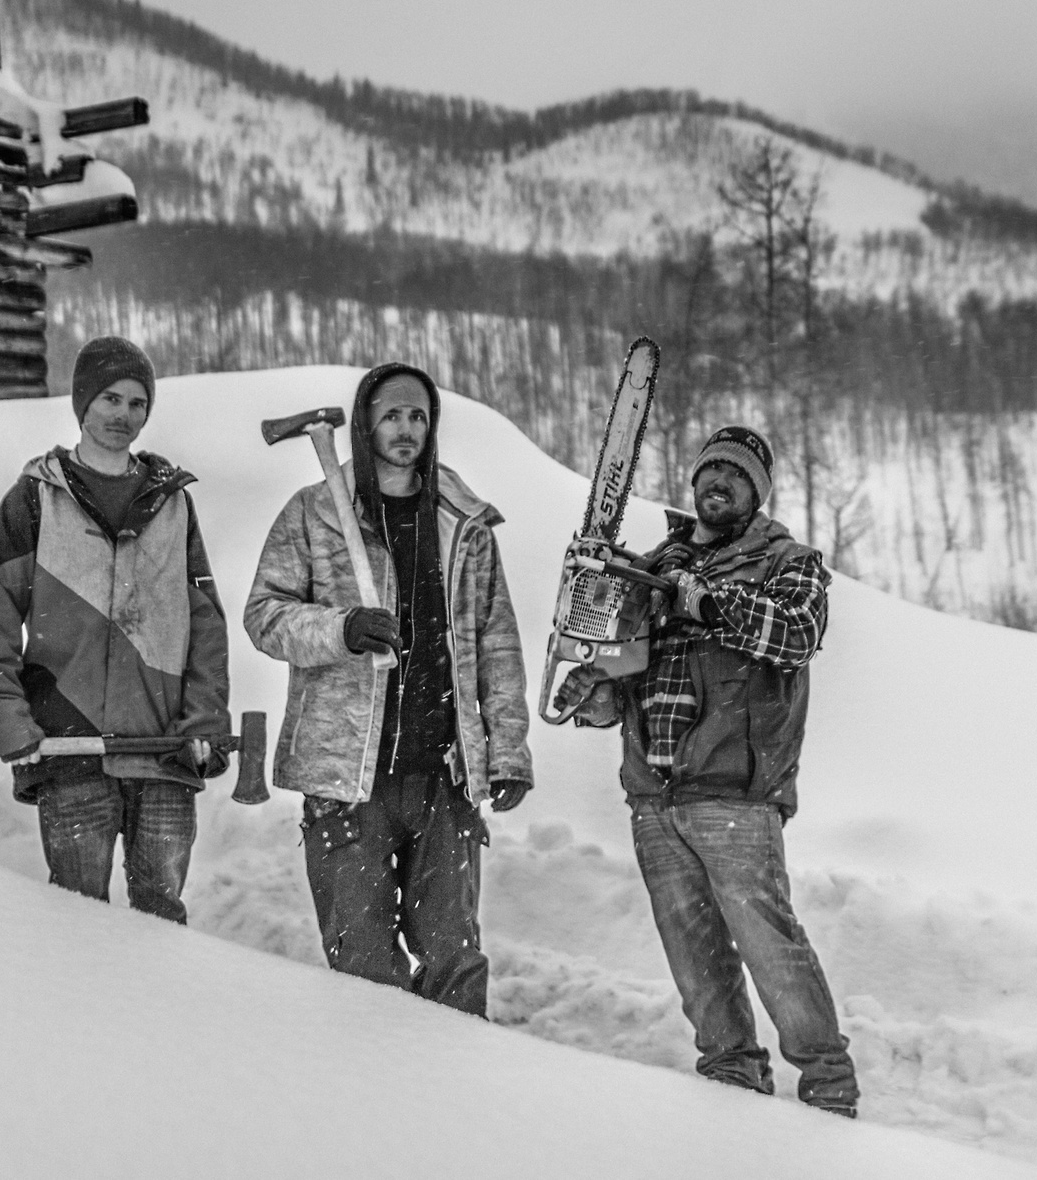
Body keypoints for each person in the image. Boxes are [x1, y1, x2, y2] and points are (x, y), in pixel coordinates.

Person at [555, 425, 859, 1117]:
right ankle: (729, 1077)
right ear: (693, 482)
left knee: (767, 943)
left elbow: (796, 633)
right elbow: (624, 674)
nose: (718, 482)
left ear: (757, 492)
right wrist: (593, 687)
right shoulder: (658, 564)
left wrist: (709, 600)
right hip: (654, 792)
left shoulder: (789, 562)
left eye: (736, 474)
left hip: (736, 790)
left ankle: (828, 1085)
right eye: (710, 470)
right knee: (693, 953)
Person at [245, 363, 531, 1016]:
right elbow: (265, 614)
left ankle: (452, 1103)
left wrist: (506, 750)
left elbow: (497, 643)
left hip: (444, 779)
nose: (406, 428)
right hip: (348, 780)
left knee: (455, 962)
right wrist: (340, 628)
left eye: (418, 415)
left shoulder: (464, 522)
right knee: (362, 968)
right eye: (392, 414)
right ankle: (375, 1107)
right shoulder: (315, 514)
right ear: (366, 420)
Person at [0, 335, 231, 924]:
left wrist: (205, 719)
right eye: (110, 398)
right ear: (83, 403)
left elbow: (205, 625)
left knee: (161, 920)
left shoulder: (172, 504)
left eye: (137, 403)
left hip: (162, 750)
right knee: (78, 923)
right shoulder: (35, 500)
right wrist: (6, 717)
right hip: (67, 745)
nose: (123, 415)